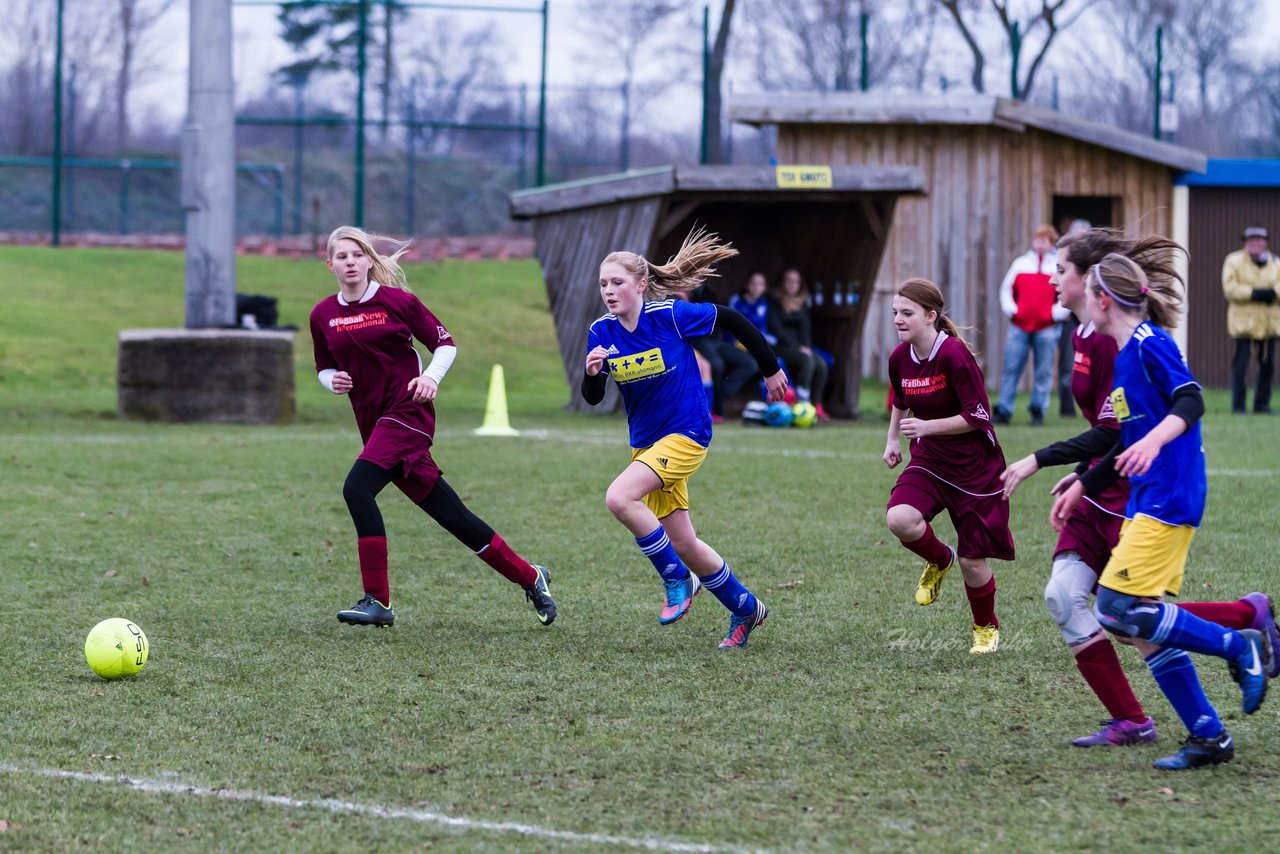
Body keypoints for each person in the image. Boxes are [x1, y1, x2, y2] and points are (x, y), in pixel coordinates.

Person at [1001, 228, 1280, 749]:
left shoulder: (1146, 343)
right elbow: (1120, 438)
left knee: (1128, 614)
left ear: (1097, 291)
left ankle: (1239, 645)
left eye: (1061, 270)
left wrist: (1141, 446)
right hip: (1136, 491)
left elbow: (1190, 400)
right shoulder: (1119, 353)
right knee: (1122, 613)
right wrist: (1084, 480)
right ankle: (1203, 729)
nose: (1053, 278)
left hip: (1162, 495)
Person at [310, 226, 557, 628]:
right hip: (375, 426)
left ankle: (378, 601)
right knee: (452, 516)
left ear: (369, 261)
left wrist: (432, 379)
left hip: (408, 415)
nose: (350, 262)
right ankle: (532, 577)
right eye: (342, 256)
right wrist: (331, 381)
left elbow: (445, 343)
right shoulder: (323, 314)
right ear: (330, 265)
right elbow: (324, 366)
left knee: (356, 488)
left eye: (357, 255)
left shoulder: (398, 301)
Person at [582, 230, 788, 649]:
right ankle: (746, 607)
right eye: (603, 283)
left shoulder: (670, 316)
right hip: (646, 444)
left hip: (687, 434)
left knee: (619, 498)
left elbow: (732, 318)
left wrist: (770, 369)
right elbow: (592, 397)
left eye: (617, 282)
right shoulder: (601, 332)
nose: (608, 290)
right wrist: (591, 373)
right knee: (685, 542)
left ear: (640, 285)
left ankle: (677, 578)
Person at [883, 279, 1013, 655]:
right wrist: (893, 439)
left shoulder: (954, 355)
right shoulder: (899, 358)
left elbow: (979, 415)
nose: (898, 320)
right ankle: (940, 559)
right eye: (895, 313)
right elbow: (900, 399)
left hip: (976, 470)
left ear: (930, 316)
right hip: (931, 461)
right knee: (900, 519)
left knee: (974, 562)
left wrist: (927, 427)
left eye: (906, 313)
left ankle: (985, 627)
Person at [993, 224, 1071, 426]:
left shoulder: (1057, 265)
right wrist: (1013, 310)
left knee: (1043, 371)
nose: (1039, 244)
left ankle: (1038, 409)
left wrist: (1053, 315)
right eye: (1037, 240)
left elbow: (1067, 293)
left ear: (1052, 243)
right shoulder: (1021, 264)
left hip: (1046, 327)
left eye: (1044, 240)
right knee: (1011, 367)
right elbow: (1006, 290)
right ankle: (1004, 409)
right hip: (1019, 326)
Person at [1222, 226, 1280, 414]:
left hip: (1269, 324)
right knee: (1241, 365)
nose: (1255, 243)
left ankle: (1261, 405)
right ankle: (1238, 406)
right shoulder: (1233, 261)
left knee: (1267, 365)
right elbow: (1230, 288)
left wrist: (1273, 292)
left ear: (1266, 243)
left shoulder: (1276, 263)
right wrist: (1255, 293)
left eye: (1259, 240)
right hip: (1244, 324)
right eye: (1251, 240)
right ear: (1245, 243)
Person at [687, 284, 757, 421]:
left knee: (750, 364)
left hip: (718, 340)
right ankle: (713, 409)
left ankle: (720, 394)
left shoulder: (708, 293)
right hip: (698, 340)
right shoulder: (679, 293)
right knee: (716, 365)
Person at [770, 268, 831, 420]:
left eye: (796, 281)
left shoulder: (803, 304)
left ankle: (816, 404)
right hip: (781, 347)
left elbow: (806, 329)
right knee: (807, 361)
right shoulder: (774, 302)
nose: (792, 284)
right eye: (789, 281)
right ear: (783, 283)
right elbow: (776, 330)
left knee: (821, 364)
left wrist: (806, 347)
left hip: (801, 347)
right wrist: (799, 347)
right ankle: (802, 403)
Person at [1055, 218, 1093, 418]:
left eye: (1061, 271)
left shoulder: (1108, 337)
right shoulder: (1079, 334)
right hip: (1069, 322)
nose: (1053, 279)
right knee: (1068, 367)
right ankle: (1067, 408)